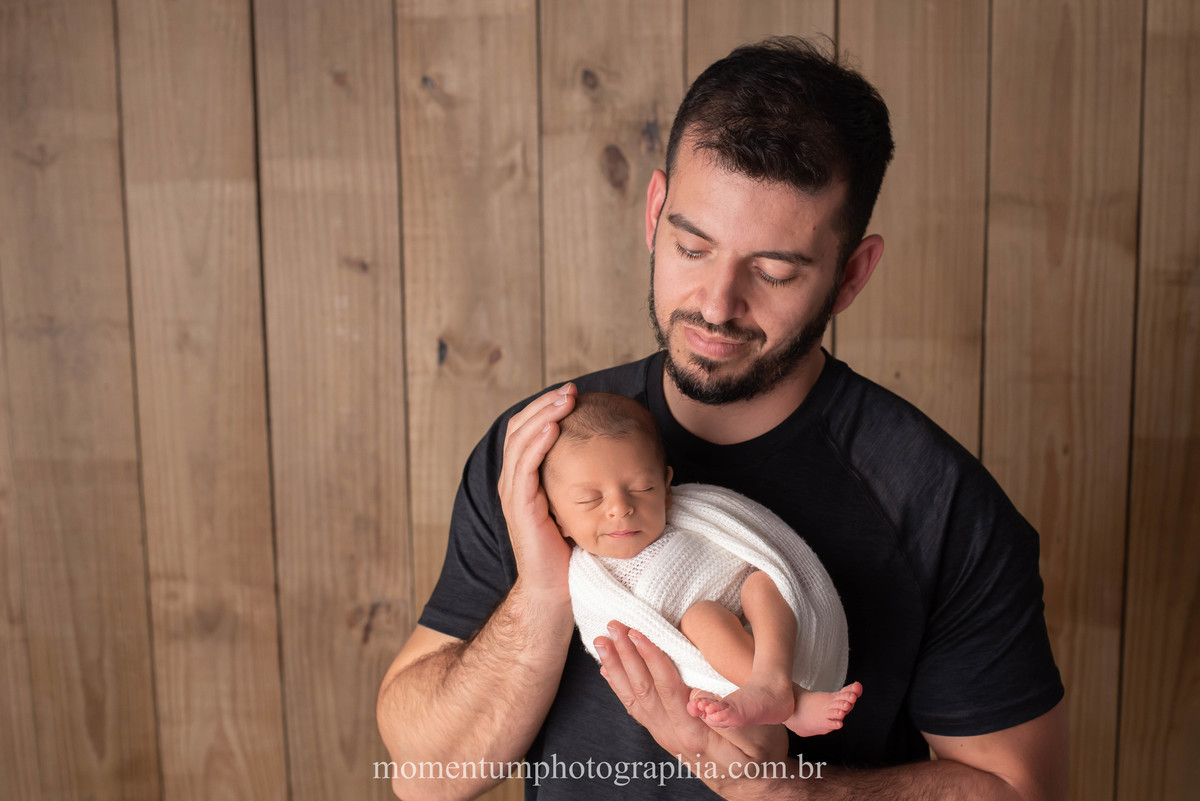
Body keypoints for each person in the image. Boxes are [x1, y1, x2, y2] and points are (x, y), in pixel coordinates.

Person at [378, 37, 1067, 800]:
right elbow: (424, 774)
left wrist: (788, 792)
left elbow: (1016, 789)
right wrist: (546, 588)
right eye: (692, 245)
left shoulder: (937, 503)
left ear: (851, 274)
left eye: (774, 271)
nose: (716, 303)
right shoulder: (545, 451)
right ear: (653, 212)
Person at [543, 391, 862, 738]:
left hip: (778, 636)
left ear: (666, 487)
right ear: (558, 518)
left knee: (765, 581)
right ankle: (791, 700)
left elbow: (764, 549)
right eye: (590, 499)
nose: (620, 508)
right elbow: (612, 630)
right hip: (722, 651)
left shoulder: (695, 512)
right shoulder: (590, 581)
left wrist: (772, 573)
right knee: (701, 617)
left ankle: (773, 682)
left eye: (642, 487)